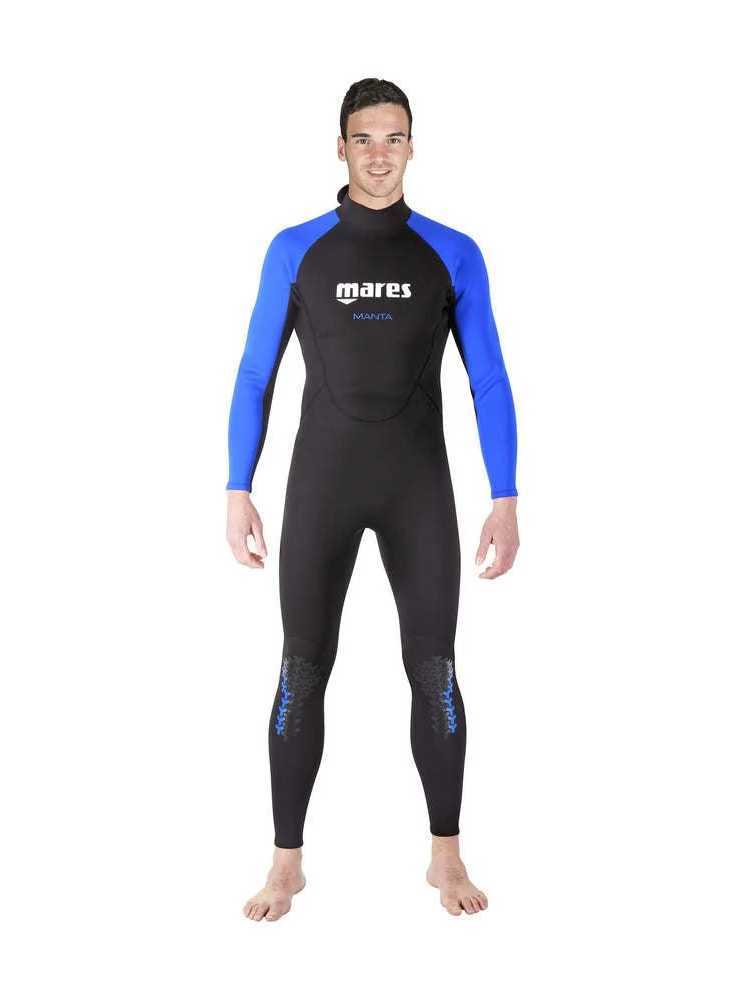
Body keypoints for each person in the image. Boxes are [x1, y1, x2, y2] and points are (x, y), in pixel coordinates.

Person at [226, 78, 519, 920]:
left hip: (417, 486)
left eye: (394, 138)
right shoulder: (297, 248)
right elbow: (255, 372)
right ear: (341, 147)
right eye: (364, 138)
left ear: (412, 147)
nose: (380, 154)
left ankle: (446, 857)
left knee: (436, 671)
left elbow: (489, 379)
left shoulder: (452, 252)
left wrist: (504, 496)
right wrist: (238, 487)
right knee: (300, 669)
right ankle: (286, 864)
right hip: (321, 483)